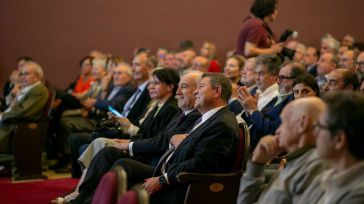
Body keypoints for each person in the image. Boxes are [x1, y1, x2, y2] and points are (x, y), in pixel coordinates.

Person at [69, 73, 239, 204]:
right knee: (112, 155)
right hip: (167, 169)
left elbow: (201, 164)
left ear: (217, 91)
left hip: (181, 185)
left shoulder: (221, 123)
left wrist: (163, 178)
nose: (195, 91)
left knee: (123, 165)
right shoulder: (209, 118)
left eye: (200, 87)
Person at [237, 97, 326, 204]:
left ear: (302, 123)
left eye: (283, 122)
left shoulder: (315, 167)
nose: (278, 131)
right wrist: (257, 164)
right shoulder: (295, 161)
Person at [298, 92, 364, 203]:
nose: (314, 133)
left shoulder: (358, 195)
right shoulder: (324, 178)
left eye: (319, 126)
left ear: (339, 140)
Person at [0, 61, 49, 153]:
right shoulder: (27, 88)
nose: (22, 77)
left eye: (26, 74)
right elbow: (10, 106)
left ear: (38, 75)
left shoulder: (39, 90)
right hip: (11, 123)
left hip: (18, 127)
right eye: (21, 74)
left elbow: (22, 112)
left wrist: (2, 116)